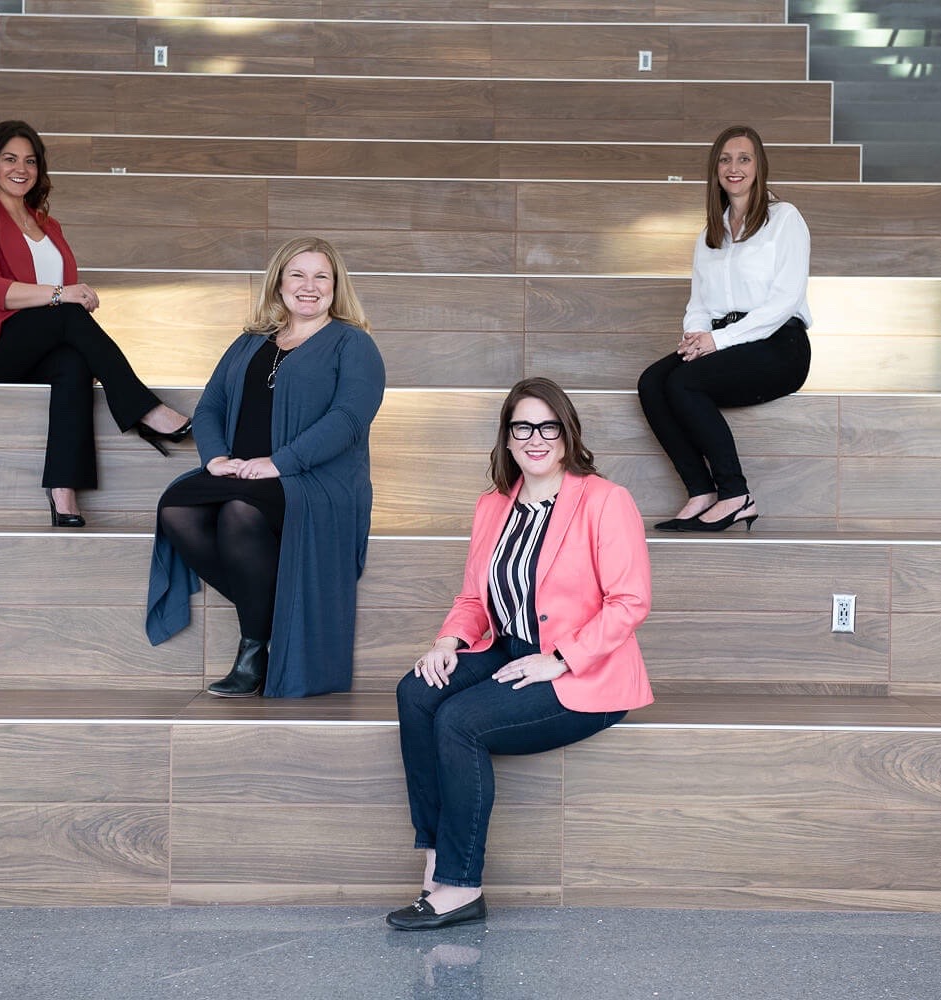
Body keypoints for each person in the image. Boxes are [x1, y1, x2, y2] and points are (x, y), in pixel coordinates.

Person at [387, 377, 653, 931]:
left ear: (566, 433)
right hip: (509, 646)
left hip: (582, 672)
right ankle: (437, 857)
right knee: (417, 691)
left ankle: (460, 888)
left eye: (547, 427)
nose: (535, 438)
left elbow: (629, 602)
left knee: (460, 720)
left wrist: (558, 659)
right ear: (507, 439)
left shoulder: (605, 500)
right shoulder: (493, 505)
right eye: (522, 427)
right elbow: (473, 598)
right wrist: (447, 642)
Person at [145, 236, 385, 699]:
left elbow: (349, 420)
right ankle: (277, 609)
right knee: (176, 507)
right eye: (297, 274)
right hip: (245, 473)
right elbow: (212, 403)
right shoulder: (250, 342)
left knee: (239, 512)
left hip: (313, 480)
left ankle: (253, 650)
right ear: (279, 283)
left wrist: (280, 463)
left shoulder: (353, 344)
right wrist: (214, 457)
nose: (308, 286)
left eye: (321, 277)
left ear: (336, 288)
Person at [0, 120, 192, 528]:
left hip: (36, 344)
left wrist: (69, 297)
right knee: (67, 314)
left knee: (73, 362)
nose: (22, 168)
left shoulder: (48, 226)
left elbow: (60, 296)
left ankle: (63, 490)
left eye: (30, 160)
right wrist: (62, 294)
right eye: (10, 159)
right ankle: (145, 409)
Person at [637, 124, 813, 532]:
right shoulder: (709, 234)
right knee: (652, 381)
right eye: (725, 159)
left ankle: (736, 494)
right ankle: (701, 491)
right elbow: (699, 303)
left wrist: (717, 340)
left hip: (779, 344)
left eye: (744, 159)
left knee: (684, 384)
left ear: (759, 166)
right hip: (726, 343)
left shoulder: (784, 219)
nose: (734, 167)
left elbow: (784, 302)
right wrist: (696, 339)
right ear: (715, 169)